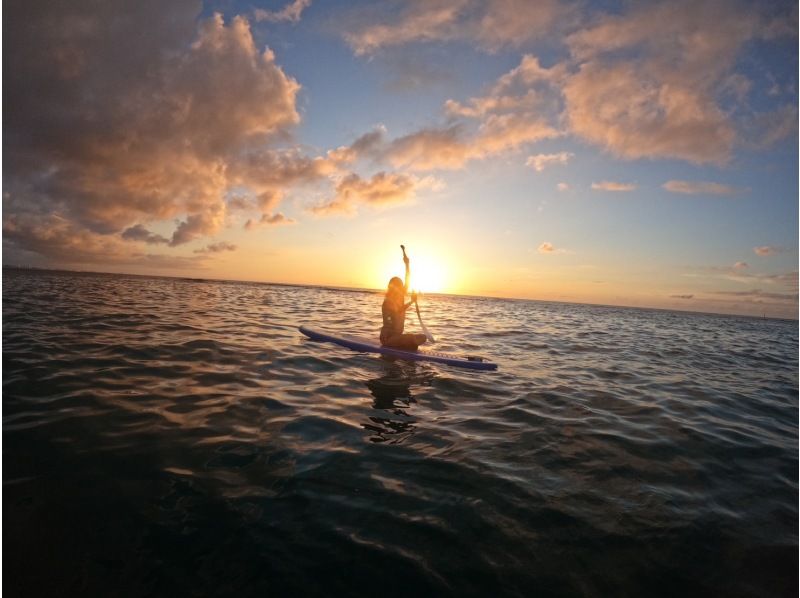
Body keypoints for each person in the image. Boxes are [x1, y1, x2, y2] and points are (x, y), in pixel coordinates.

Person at [380, 248, 427, 351]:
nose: (401, 289)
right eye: (399, 287)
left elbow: (408, 278)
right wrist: (411, 301)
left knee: (423, 337)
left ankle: (405, 345)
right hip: (388, 338)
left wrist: (407, 264)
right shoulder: (388, 302)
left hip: (397, 337)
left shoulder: (399, 297)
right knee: (412, 339)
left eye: (401, 287)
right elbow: (399, 310)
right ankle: (403, 345)